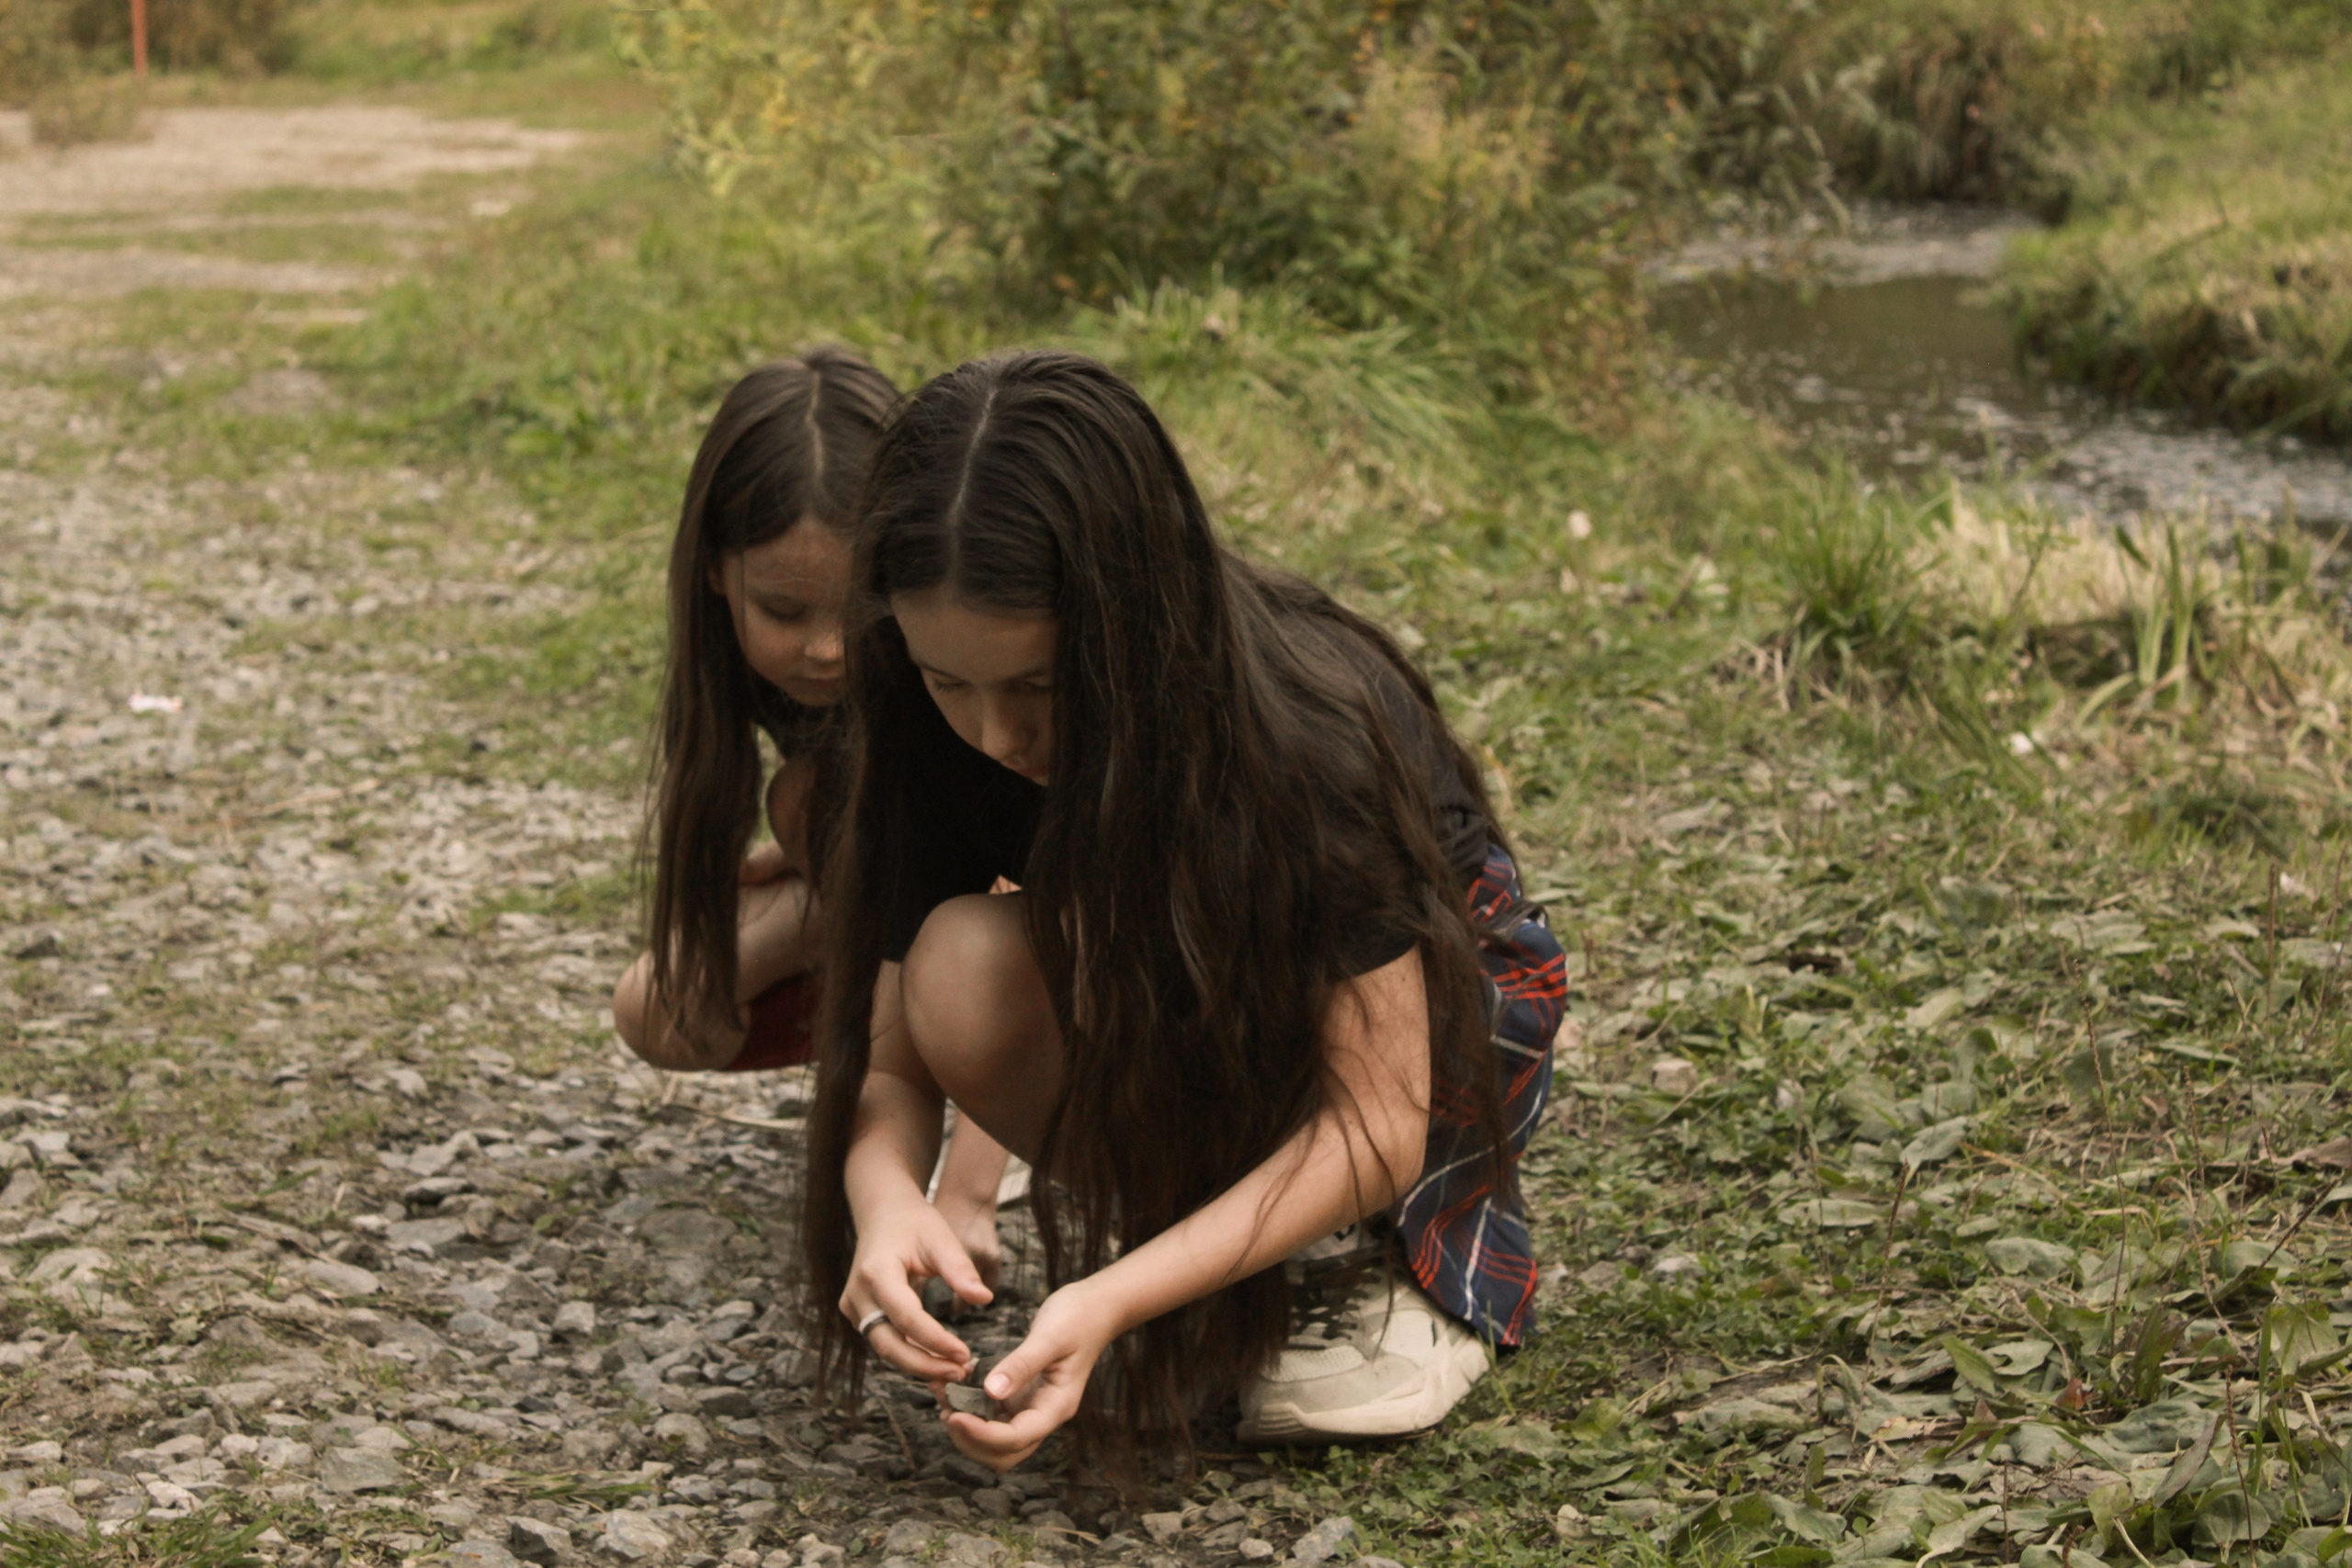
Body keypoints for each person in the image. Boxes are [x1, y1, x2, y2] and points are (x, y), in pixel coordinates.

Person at [802, 350, 1566, 1470]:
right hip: (1187, 988)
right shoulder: (925, 709)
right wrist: (884, 1203)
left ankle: (1364, 1262)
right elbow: (891, 1065)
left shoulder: (1310, 728)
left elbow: (1377, 1117)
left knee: (1347, 1187)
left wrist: (1110, 1296)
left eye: (1041, 686)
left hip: (1435, 1037)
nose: (996, 736)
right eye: (947, 681)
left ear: (1138, 629)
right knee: (960, 966)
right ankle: (1220, 1248)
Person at [610, 348, 1010, 1276]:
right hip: (885, 891)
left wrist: (966, 1196)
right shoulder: (736, 679)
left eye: (854, 607)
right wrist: (809, 856)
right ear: (716, 573)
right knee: (659, 1009)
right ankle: (836, 906)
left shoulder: (959, 678)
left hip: (1013, 952)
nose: (827, 649)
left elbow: (1010, 900)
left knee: (810, 795)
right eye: (785, 611)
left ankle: (987, 1116)